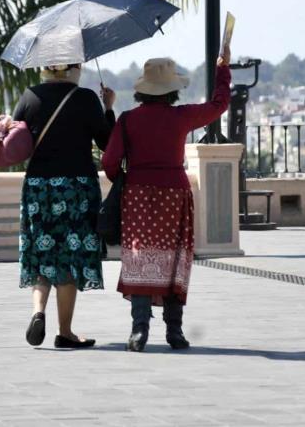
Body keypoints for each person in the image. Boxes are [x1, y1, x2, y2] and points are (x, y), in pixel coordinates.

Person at [102, 48, 231, 352]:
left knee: (140, 257)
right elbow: (219, 104)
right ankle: (175, 331)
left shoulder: (128, 120)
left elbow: (109, 163)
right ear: (173, 90)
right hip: (175, 193)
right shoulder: (182, 117)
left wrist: (126, 172)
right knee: (174, 258)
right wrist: (222, 69)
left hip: (137, 195)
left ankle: (138, 330)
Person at [14, 63, 115, 348]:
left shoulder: (29, 96)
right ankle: (65, 332)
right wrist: (107, 107)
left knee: (42, 251)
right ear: (74, 68)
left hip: (38, 187)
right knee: (70, 255)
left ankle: (37, 311)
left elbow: (17, 140)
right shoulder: (84, 98)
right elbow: (108, 142)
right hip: (76, 189)